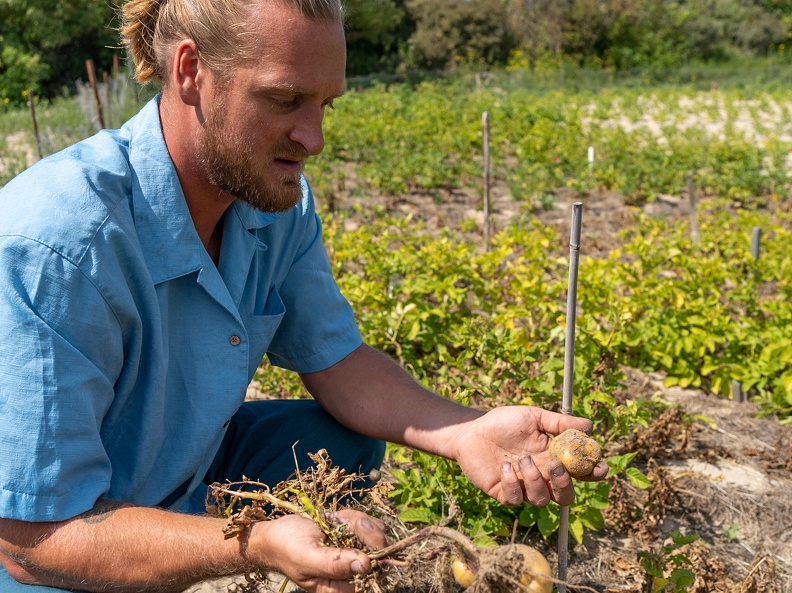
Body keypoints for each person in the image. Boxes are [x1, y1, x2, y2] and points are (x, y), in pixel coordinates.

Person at [0, 0, 609, 591]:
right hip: (52, 534)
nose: (313, 138)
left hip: (177, 472)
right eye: (285, 99)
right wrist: (255, 544)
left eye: (325, 105)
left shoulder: (271, 201)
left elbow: (337, 362)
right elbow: (31, 538)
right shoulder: (57, 246)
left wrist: (464, 431)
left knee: (342, 439)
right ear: (191, 72)